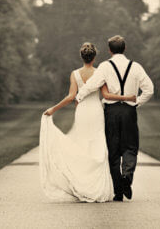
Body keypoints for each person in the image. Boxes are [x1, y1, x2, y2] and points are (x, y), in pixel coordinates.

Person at [39, 42, 136, 202]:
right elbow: (106, 95)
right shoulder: (101, 72)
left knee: (83, 145)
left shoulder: (75, 74)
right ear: (94, 56)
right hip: (96, 111)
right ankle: (97, 187)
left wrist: (53, 109)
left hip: (82, 112)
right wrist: (126, 97)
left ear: (81, 56)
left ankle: (83, 186)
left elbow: (71, 97)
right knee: (98, 146)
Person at [76, 35, 154, 201]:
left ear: (110, 50)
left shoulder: (105, 66)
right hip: (129, 112)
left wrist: (79, 96)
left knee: (113, 151)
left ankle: (118, 190)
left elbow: (91, 85)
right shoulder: (136, 67)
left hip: (111, 112)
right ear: (124, 48)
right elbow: (149, 89)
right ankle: (127, 177)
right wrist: (137, 102)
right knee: (130, 147)